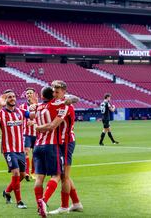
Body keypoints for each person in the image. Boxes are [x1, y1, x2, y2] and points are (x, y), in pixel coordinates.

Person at [0, 89, 35, 209]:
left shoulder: (20, 111)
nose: (12, 98)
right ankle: (19, 201)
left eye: (14, 96)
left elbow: (32, 115)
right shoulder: (2, 113)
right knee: (15, 173)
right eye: (9, 97)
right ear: (5, 99)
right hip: (8, 149)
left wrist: (35, 106)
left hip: (20, 148)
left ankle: (7, 191)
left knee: (21, 175)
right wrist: (0, 106)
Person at [33, 86, 68, 217]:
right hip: (51, 145)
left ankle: (38, 205)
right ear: (53, 95)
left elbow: (29, 113)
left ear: (42, 96)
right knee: (57, 175)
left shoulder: (37, 107)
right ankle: (44, 201)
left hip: (37, 146)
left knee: (39, 177)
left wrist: (36, 127)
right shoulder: (56, 105)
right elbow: (53, 125)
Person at [49, 80, 83, 214]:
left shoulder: (66, 105)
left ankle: (64, 207)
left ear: (64, 92)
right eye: (53, 91)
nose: (54, 94)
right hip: (61, 142)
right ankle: (76, 203)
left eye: (57, 92)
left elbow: (75, 98)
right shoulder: (57, 103)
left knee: (64, 176)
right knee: (65, 176)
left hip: (67, 142)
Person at [19, 88, 37, 181]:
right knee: (26, 152)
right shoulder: (22, 106)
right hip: (26, 133)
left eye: (31, 93)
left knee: (35, 153)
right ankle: (26, 172)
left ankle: (33, 172)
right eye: (28, 93)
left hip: (37, 133)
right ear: (25, 95)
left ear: (34, 95)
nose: (29, 94)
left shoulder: (38, 106)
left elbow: (41, 117)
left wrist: (33, 122)